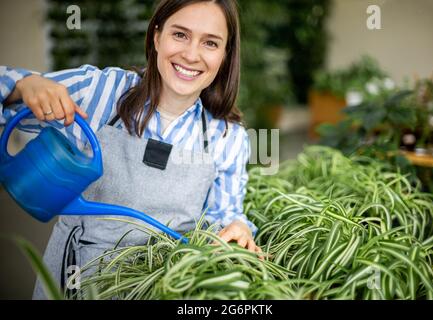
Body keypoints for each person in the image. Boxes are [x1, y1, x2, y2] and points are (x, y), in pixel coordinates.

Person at [0, 0, 261, 299]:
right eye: (180, 35)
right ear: (156, 36)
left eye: (210, 43)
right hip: (76, 282)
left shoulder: (226, 136)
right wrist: (24, 85)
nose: (191, 54)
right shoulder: (101, 92)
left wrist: (237, 226)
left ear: (225, 56)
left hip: (163, 288)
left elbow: (223, 216)